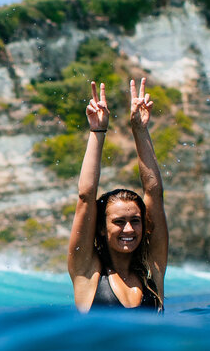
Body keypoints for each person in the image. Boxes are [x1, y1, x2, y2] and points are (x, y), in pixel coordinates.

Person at [68, 79, 168, 313]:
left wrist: (140, 130)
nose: (129, 229)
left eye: (135, 220)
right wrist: (97, 131)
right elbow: (85, 196)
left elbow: (154, 193)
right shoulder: (87, 272)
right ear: (102, 227)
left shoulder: (153, 270)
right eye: (118, 222)